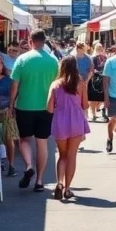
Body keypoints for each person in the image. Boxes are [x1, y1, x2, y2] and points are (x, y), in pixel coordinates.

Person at [9, 29, 60, 192]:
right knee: (42, 142)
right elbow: (56, 85)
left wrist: (11, 104)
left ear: (30, 41)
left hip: (24, 106)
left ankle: (29, 165)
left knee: (24, 140)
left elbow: (14, 85)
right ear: (44, 41)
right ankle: (39, 180)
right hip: (46, 107)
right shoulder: (53, 61)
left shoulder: (22, 59)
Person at [47, 56, 90, 200]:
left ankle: (59, 183)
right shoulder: (81, 83)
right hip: (76, 121)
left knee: (62, 155)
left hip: (60, 121)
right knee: (72, 155)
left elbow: (49, 108)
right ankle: (67, 188)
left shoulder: (55, 84)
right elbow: (86, 105)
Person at [0, 54, 19, 178]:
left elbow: (15, 95)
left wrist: (11, 106)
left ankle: (11, 165)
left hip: (5, 112)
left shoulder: (8, 80)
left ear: (3, 66)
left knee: (9, 138)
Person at [88, 43, 107, 121]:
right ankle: (93, 114)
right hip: (94, 80)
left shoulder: (105, 57)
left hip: (102, 79)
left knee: (100, 98)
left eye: (101, 47)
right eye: (98, 47)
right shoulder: (93, 57)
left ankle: (96, 111)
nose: (100, 49)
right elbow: (91, 68)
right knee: (93, 98)